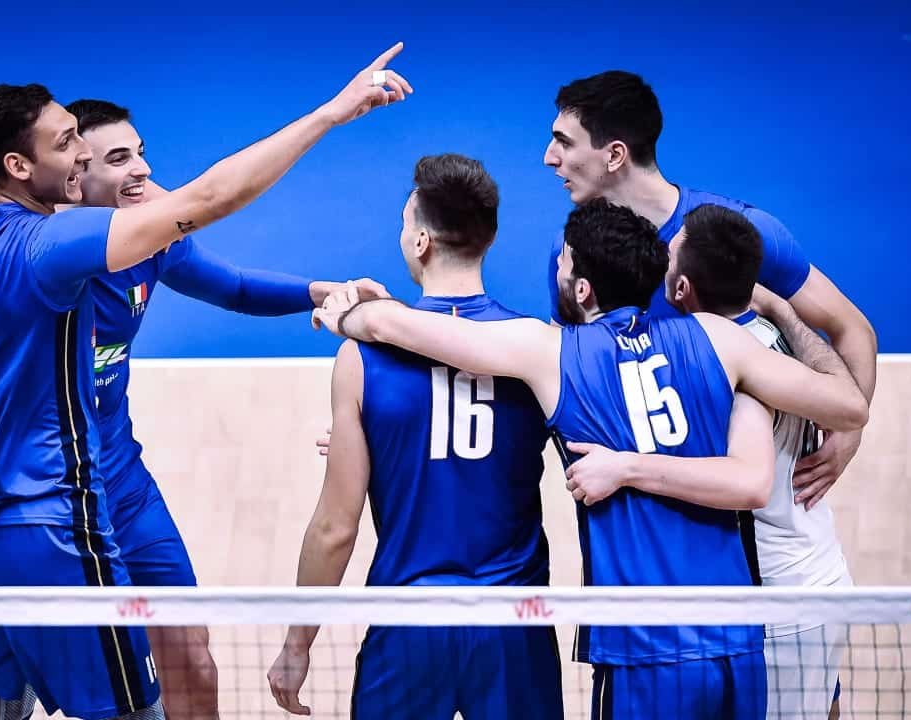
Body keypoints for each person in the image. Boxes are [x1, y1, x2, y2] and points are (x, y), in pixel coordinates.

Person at [0, 97, 386, 719]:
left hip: (120, 489)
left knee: (193, 659)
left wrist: (315, 291)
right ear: (65, 179)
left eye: (136, 152)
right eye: (106, 155)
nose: (139, 170)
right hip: (46, 509)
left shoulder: (120, 236)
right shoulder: (38, 257)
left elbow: (233, 285)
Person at [311, 199, 868, 719]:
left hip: (641, 650)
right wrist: (781, 308)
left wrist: (347, 314)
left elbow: (392, 326)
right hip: (735, 642)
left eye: (563, 264)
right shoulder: (720, 338)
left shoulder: (554, 353)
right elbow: (849, 408)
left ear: (580, 290)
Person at [266, 154, 562, 719]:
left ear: (421, 241)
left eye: (406, 224)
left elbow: (334, 529)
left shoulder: (362, 360)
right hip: (513, 628)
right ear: (490, 237)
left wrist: (296, 644)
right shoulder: (537, 350)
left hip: (409, 627)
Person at [564, 203, 852, 718]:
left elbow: (749, 482)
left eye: (670, 260)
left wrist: (625, 466)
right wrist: (786, 309)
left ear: (681, 291)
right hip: (822, 573)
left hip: (777, 592)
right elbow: (851, 405)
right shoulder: (776, 340)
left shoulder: (731, 359)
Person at [543, 70, 877, 507]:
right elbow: (558, 364)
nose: (550, 158)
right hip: (650, 516)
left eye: (564, 142)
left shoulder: (737, 232)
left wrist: (850, 433)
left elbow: (852, 328)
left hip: (752, 512)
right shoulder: (573, 253)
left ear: (615, 155)